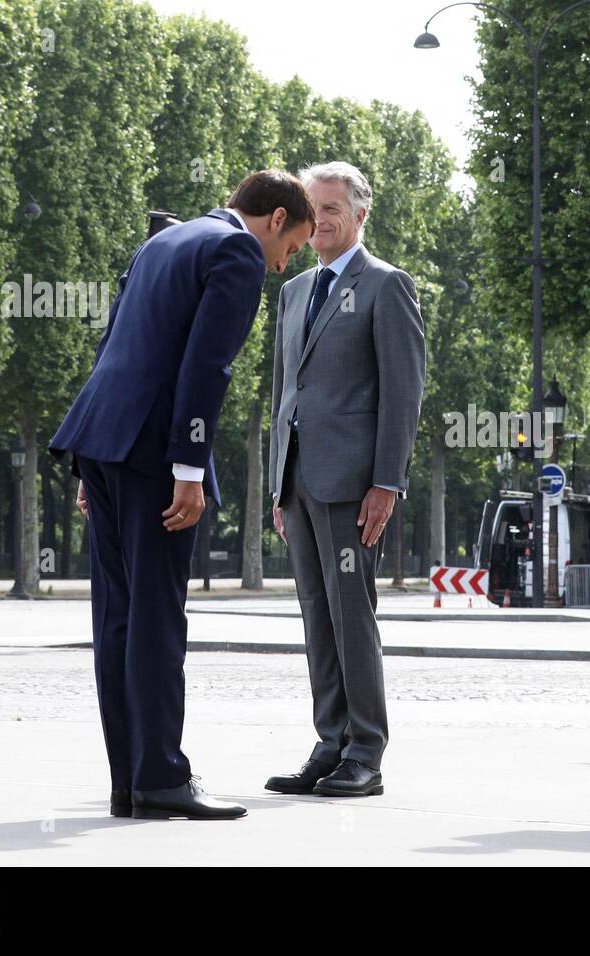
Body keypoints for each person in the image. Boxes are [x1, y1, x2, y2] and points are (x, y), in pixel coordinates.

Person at [50, 170, 315, 819]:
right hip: (151, 451)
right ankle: (163, 776)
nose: (287, 264)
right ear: (275, 218)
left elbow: (115, 343)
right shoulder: (236, 252)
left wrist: (94, 461)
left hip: (105, 438)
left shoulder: (161, 242)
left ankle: (130, 781)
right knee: (159, 617)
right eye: (295, 246)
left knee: (116, 619)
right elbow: (207, 365)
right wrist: (189, 470)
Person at [264, 161, 425, 799]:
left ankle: (366, 752)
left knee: (350, 616)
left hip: (354, 487)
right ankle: (328, 744)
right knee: (314, 615)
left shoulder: (387, 286)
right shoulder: (293, 292)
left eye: (333, 208)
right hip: (299, 482)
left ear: (361, 215)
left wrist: (387, 482)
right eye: (313, 207)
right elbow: (284, 392)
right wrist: (277, 486)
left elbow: (402, 394)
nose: (321, 219)